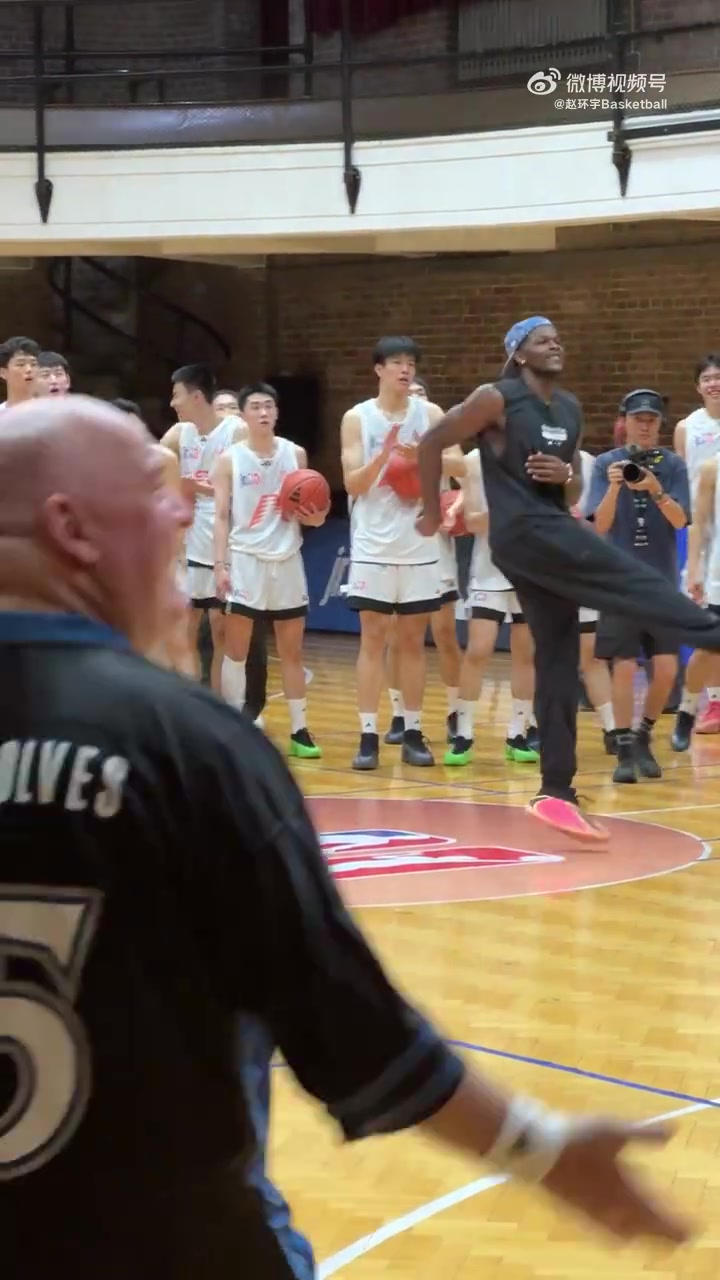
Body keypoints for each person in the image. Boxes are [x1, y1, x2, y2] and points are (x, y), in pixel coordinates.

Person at [0, 395, 693, 1272]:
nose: (180, 511)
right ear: (71, 529)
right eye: (152, 492)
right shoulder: (188, 743)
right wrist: (539, 1149)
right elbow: (352, 1032)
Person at [416, 316, 720, 842]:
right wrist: (428, 510)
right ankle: (711, 631)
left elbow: (574, 486)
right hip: (525, 533)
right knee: (631, 577)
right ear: (518, 353)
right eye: (541, 340)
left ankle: (555, 791)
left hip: (550, 526)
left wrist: (567, 476)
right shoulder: (496, 398)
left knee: (556, 660)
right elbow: (430, 442)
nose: (554, 344)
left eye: (557, 338)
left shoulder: (569, 408)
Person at [341, 337, 465, 771]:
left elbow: (461, 465)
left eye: (410, 363)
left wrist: (425, 457)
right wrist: (384, 458)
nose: (405, 369)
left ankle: (412, 731)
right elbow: (353, 483)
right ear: (379, 369)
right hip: (373, 544)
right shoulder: (357, 417)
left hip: (419, 543)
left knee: (413, 641)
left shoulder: (430, 414)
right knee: (373, 640)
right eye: (396, 362)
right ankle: (368, 736)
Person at [212, 381, 325, 758]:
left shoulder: (295, 454)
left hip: (287, 560)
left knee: (292, 651)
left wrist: (318, 517)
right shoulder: (229, 459)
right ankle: (234, 723)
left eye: (269, 406)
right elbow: (220, 516)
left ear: (276, 412)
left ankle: (300, 730)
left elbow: (312, 511)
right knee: (237, 650)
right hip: (245, 561)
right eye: (255, 407)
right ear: (243, 415)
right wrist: (220, 565)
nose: (263, 412)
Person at [586, 390, 690, 783]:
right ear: (624, 421)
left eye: (652, 420)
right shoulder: (606, 464)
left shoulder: (673, 465)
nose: (645, 426)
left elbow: (680, 521)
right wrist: (616, 487)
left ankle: (645, 732)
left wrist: (654, 489)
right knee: (624, 666)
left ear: (660, 424)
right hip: (620, 584)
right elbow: (600, 525)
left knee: (666, 668)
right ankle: (625, 746)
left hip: (661, 583)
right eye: (638, 419)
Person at [445, 443, 538, 767]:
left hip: (528, 572)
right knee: (478, 650)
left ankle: (517, 734)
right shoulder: (474, 461)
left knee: (525, 654)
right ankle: (464, 734)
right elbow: (473, 523)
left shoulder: (534, 456)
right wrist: (514, 512)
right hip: (488, 572)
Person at [384, 375, 463, 746]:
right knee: (397, 636)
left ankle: (455, 711)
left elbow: (461, 467)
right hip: (394, 540)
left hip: (434, 543)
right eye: (409, 392)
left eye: (420, 393)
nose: (414, 397)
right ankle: (399, 714)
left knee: (445, 632)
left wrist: (426, 455)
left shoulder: (440, 430)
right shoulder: (385, 434)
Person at [160, 363, 242, 689]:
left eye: (176, 395)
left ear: (196, 397)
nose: (172, 403)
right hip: (191, 540)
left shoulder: (236, 431)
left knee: (222, 628)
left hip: (228, 539)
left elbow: (251, 487)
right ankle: (186, 699)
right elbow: (152, 467)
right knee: (184, 627)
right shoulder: (179, 433)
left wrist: (202, 488)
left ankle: (220, 701)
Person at [112, 396, 195, 679]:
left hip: (162, 560)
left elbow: (176, 515)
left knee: (177, 641)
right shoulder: (102, 464)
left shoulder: (163, 459)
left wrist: (169, 562)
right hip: (123, 564)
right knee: (137, 645)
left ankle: (187, 703)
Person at [674, 355, 720, 733]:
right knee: (710, 631)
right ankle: (712, 703)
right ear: (697, 386)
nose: (714, 383)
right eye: (707, 378)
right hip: (701, 530)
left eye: (719, 377)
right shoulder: (687, 427)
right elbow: (680, 477)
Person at [0, 334, 40, 409]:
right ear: (3, 373)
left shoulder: (52, 412)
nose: (29, 369)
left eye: (33, 364)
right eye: (21, 364)